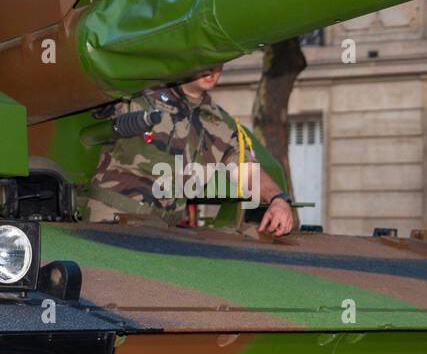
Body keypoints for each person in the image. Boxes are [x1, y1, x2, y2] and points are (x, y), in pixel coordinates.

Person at [89, 64, 295, 235]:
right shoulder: (137, 95)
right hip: (111, 218)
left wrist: (278, 198)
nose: (212, 68)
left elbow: (247, 171)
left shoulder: (220, 124)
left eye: (219, 62)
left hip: (162, 230)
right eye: (207, 59)